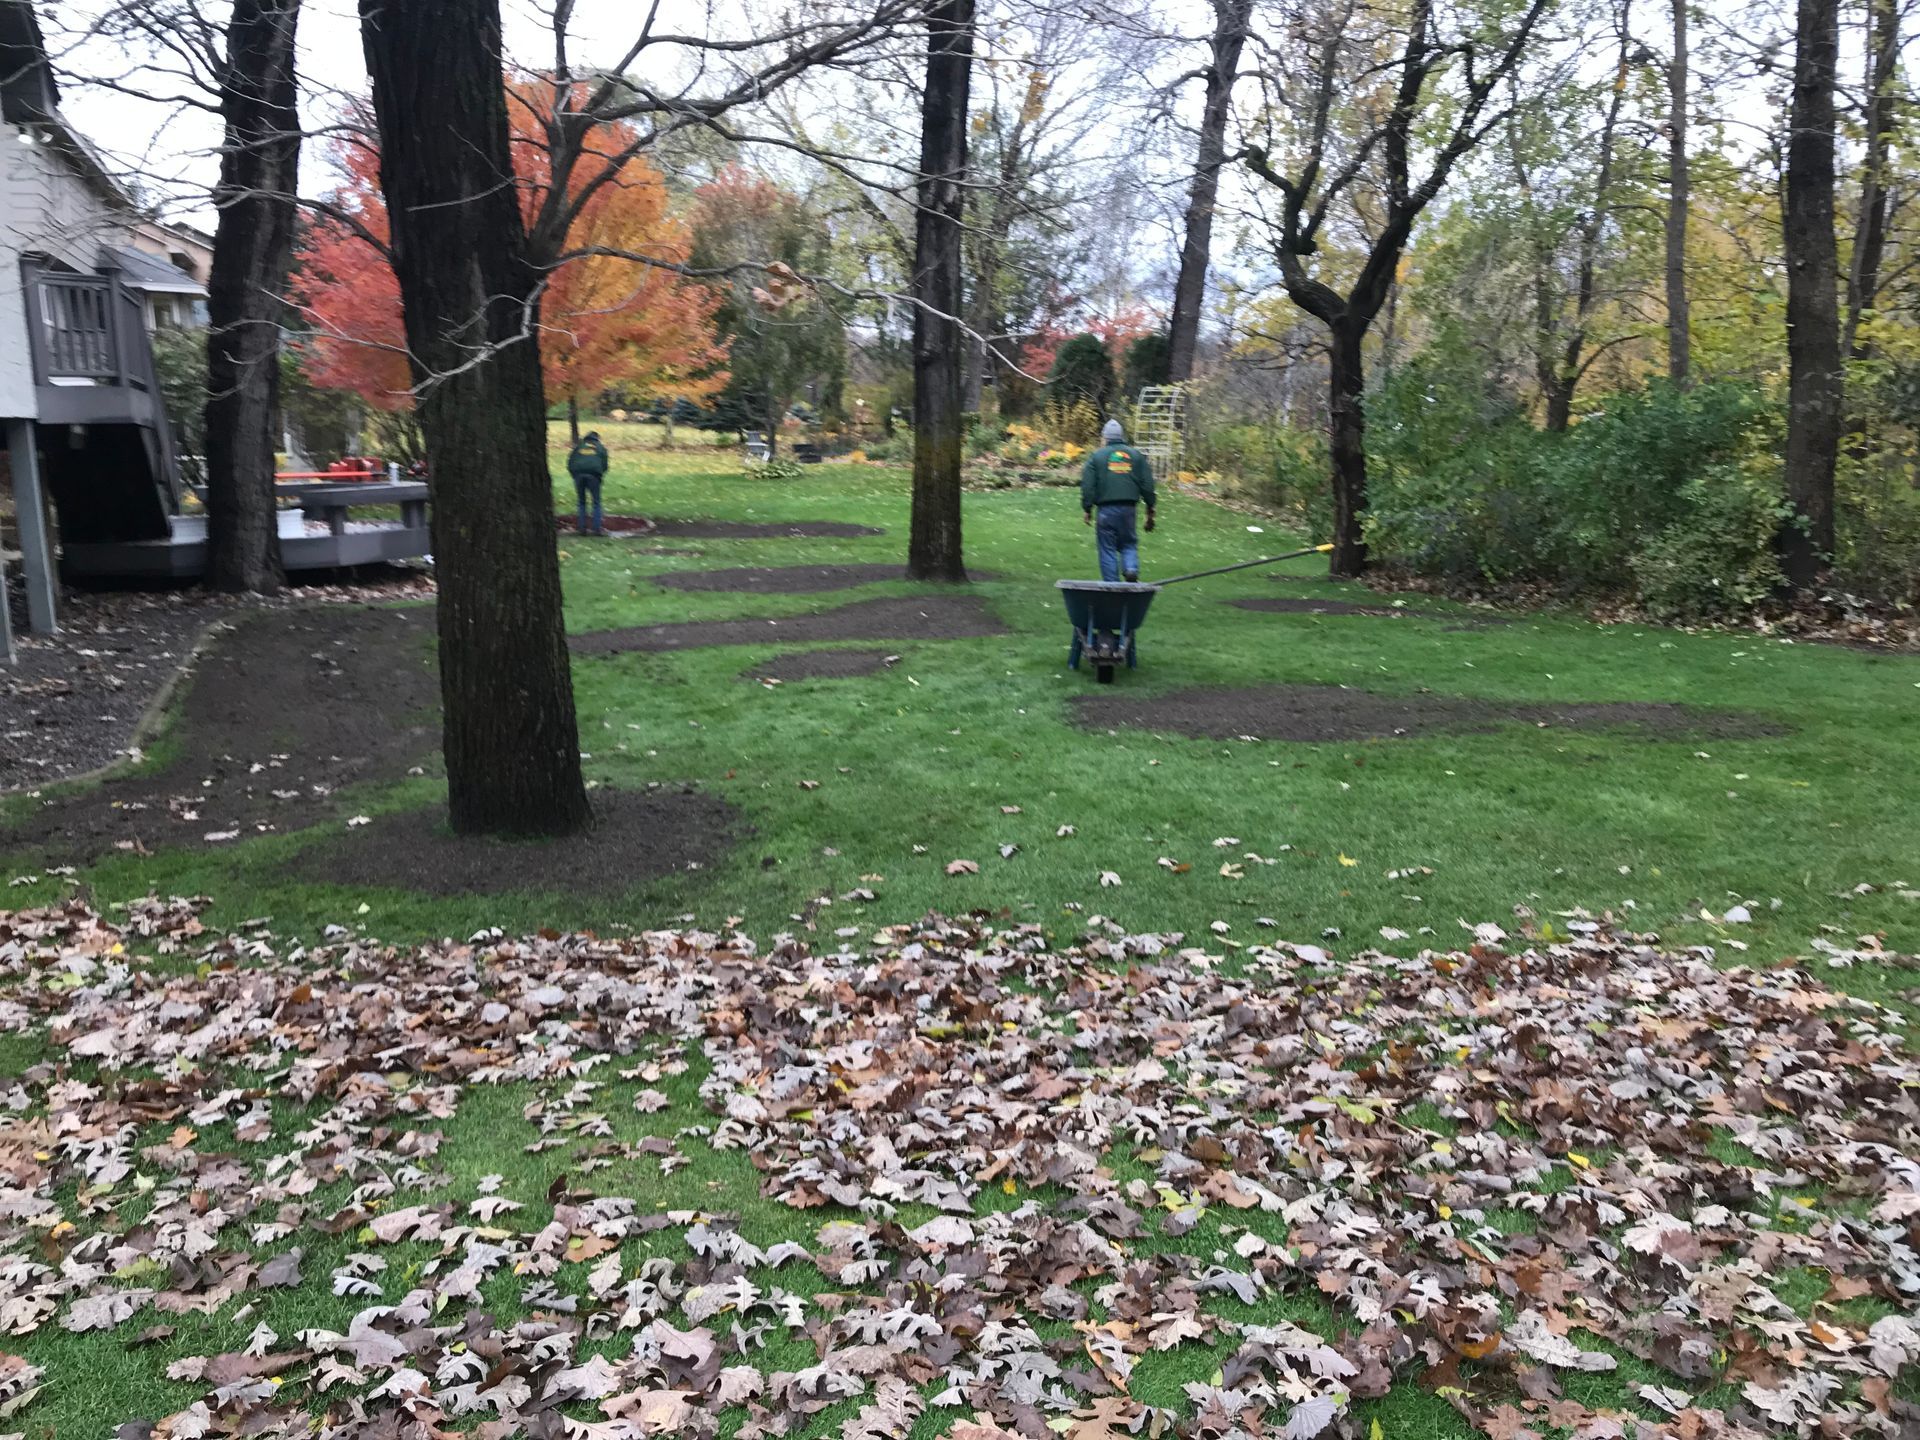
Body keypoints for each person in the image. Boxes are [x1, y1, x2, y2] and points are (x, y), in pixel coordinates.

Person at [1079, 418, 1155, 581]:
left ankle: (1112, 586)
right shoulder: (1136, 456)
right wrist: (1150, 507)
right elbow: (1147, 484)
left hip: (1106, 511)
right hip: (1129, 509)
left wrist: (1087, 508)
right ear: (1121, 437)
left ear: (1104, 438)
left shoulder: (1097, 456)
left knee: (1107, 548)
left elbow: (1088, 485)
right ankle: (1131, 568)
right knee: (1128, 542)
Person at [567, 430, 610, 535]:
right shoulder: (600, 448)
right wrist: (599, 475)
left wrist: (575, 475)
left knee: (581, 502)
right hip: (593, 476)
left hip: (579, 476)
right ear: (597, 438)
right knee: (596, 503)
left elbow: (570, 462)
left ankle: (582, 528)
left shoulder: (578, 447)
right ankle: (596, 529)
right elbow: (605, 464)